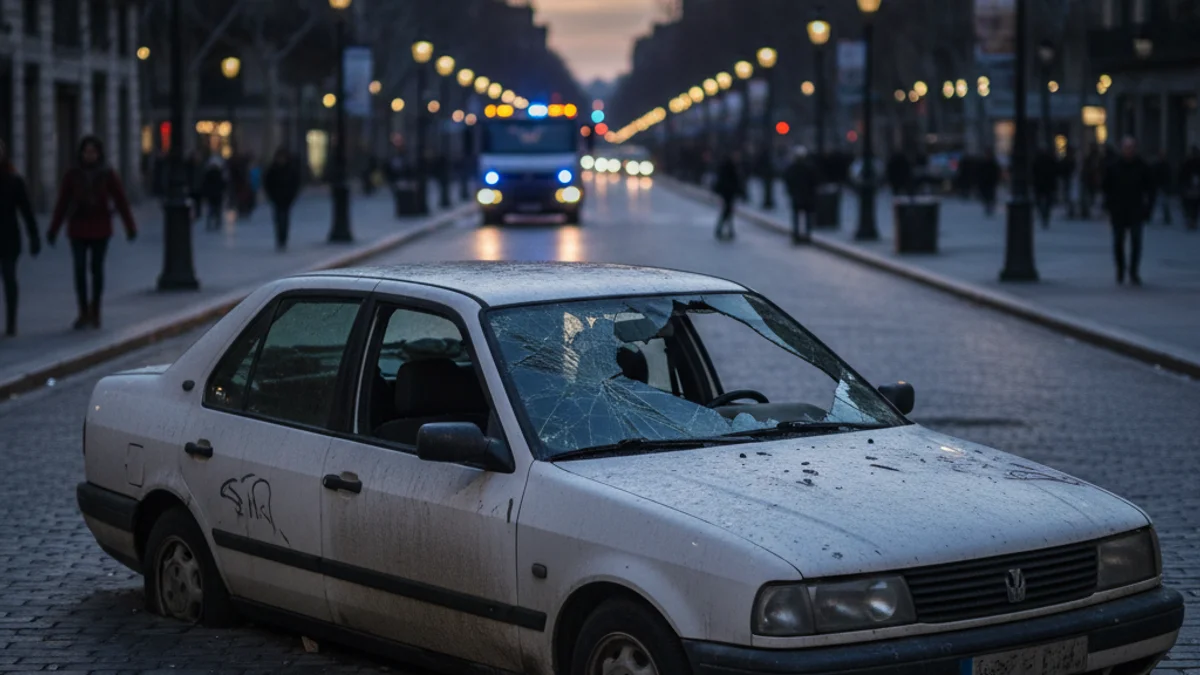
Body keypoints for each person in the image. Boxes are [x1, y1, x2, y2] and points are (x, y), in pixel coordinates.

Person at [47, 136, 137, 329]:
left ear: (98, 154)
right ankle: (83, 311)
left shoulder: (107, 173)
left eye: (93, 152)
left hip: (100, 228)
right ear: (81, 153)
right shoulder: (73, 174)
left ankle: (95, 310)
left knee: (97, 269)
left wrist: (130, 227)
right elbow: (62, 203)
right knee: (79, 269)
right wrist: (53, 229)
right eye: (86, 152)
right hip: (78, 228)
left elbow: (120, 200)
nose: (89, 155)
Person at [0, 140, 42, 337]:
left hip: (8, 238)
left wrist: (34, 236)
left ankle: (11, 322)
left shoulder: (14, 181)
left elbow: (26, 211)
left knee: (9, 278)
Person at [1102, 137, 1152, 285]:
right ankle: (1120, 268)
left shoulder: (1142, 167)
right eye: (1126, 148)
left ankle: (1134, 271)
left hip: (1136, 210)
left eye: (1131, 148)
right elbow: (1106, 188)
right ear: (1122, 149)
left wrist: (1148, 208)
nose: (1129, 151)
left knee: (1136, 241)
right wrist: (1109, 206)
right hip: (1118, 210)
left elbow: (1150, 188)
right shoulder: (1114, 167)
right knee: (1118, 241)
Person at [264, 148, 302, 251]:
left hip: (287, 199)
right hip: (277, 199)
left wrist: (292, 196)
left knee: (285, 218)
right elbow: (268, 183)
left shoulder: (290, 170)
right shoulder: (273, 170)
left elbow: (296, 183)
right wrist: (272, 196)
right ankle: (280, 238)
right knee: (278, 219)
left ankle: (283, 238)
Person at [783, 146, 820, 244]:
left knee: (797, 216)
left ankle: (797, 234)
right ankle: (806, 235)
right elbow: (815, 181)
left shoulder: (792, 168)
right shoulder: (809, 168)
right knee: (807, 217)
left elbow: (788, 180)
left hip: (798, 196)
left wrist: (791, 191)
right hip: (807, 196)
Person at [712, 151, 744, 241]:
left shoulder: (730, 166)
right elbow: (730, 180)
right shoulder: (729, 167)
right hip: (728, 192)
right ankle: (724, 230)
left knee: (727, 212)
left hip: (728, 192)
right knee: (727, 212)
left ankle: (727, 230)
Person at [1032, 147, 1058, 229]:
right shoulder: (1050, 160)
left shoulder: (1038, 160)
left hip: (1041, 184)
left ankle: (1044, 214)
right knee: (1047, 202)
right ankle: (1045, 215)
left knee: (1041, 201)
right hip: (1046, 184)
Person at [200, 155, 226, 231]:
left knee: (211, 209)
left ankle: (210, 223)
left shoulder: (208, 173)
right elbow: (223, 184)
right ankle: (217, 222)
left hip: (211, 194)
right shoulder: (219, 173)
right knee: (217, 208)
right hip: (217, 194)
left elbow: (204, 184)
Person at [1179, 146, 1200, 230]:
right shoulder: (1188, 163)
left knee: (1191, 205)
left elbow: (1182, 175)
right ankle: (1192, 220)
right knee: (1193, 205)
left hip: (1191, 188)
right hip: (1191, 188)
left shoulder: (1188, 163)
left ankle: (1191, 220)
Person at [1149, 152, 1172, 225]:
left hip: (1163, 186)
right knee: (1153, 202)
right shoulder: (1156, 165)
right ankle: (1148, 216)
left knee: (1164, 203)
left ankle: (1167, 218)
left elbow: (1168, 176)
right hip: (1157, 186)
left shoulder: (1165, 165)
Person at [978, 150, 1001, 216]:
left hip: (991, 182)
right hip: (984, 182)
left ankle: (990, 207)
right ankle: (988, 207)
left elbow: (996, 173)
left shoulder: (993, 164)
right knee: (985, 196)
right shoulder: (983, 163)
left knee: (990, 195)